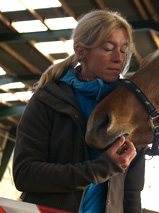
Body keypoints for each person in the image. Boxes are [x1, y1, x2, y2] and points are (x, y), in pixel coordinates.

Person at [13, 9, 145, 213]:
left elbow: (131, 192)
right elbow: (25, 174)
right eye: (109, 48)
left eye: (124, 50)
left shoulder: (131, 109)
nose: (119, 58)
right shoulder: (47, 100)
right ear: (81, 51)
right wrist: (100, 169)